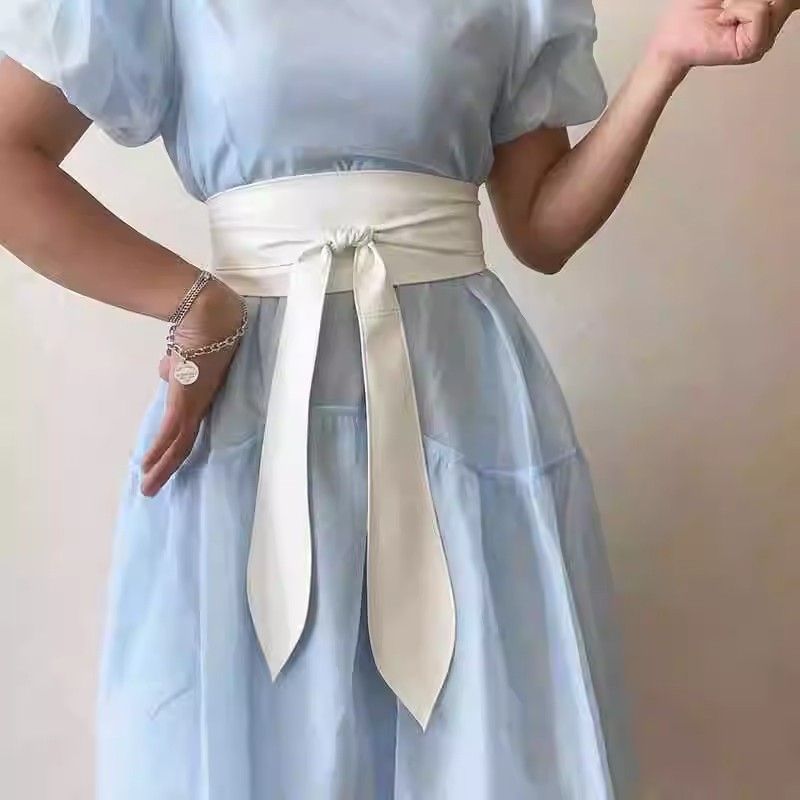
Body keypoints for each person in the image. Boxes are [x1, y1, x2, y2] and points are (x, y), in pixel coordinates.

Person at [0, 1, 794, 798]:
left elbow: (541, 228)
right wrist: (191, 302)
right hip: (254, 414)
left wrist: (664, 60)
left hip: (459, 405)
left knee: (480, 739)